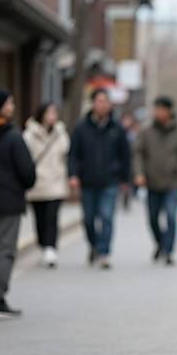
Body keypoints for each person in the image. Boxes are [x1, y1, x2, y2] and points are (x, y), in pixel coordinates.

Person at [68, 88, 130, 269]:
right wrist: (73, 174)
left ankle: (104, 252)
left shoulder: (116, 128)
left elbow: (125, 155)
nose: (102, 104)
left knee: (107, 216)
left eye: (105, 101)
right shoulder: (81, 127)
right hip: (87, 180)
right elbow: (74, 154)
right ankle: (94, 245)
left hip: (110, 180)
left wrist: (125, 179)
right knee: (88, 219)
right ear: (93, 103)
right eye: (99, 101)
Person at [133, 96, 177, 264]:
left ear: (169, 111)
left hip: (172, 182)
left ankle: (168, 251)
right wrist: (139, 173)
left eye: (162, 109)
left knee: (171, 217)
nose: (158, 112)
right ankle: (160, 243)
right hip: (151, 182)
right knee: (152, 218)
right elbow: (138, 153)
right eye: (156, 109)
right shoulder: (146, 130)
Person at [0, 88, 36, 315]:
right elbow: (27, 172)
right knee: (4, 249)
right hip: (8, 202)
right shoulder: (12, 136)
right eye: (8, 103)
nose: (12, 107)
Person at [23, 103, 70, 268]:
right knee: (40, 218)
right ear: (41, 114)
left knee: (52, 217)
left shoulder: (61, 133)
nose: (52, 116)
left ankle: (51, 248)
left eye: (54, 113)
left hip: (56, 181)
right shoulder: (30, 134)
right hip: (37, 182)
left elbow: (66, 153)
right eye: (49, 113)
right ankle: (43, 245)